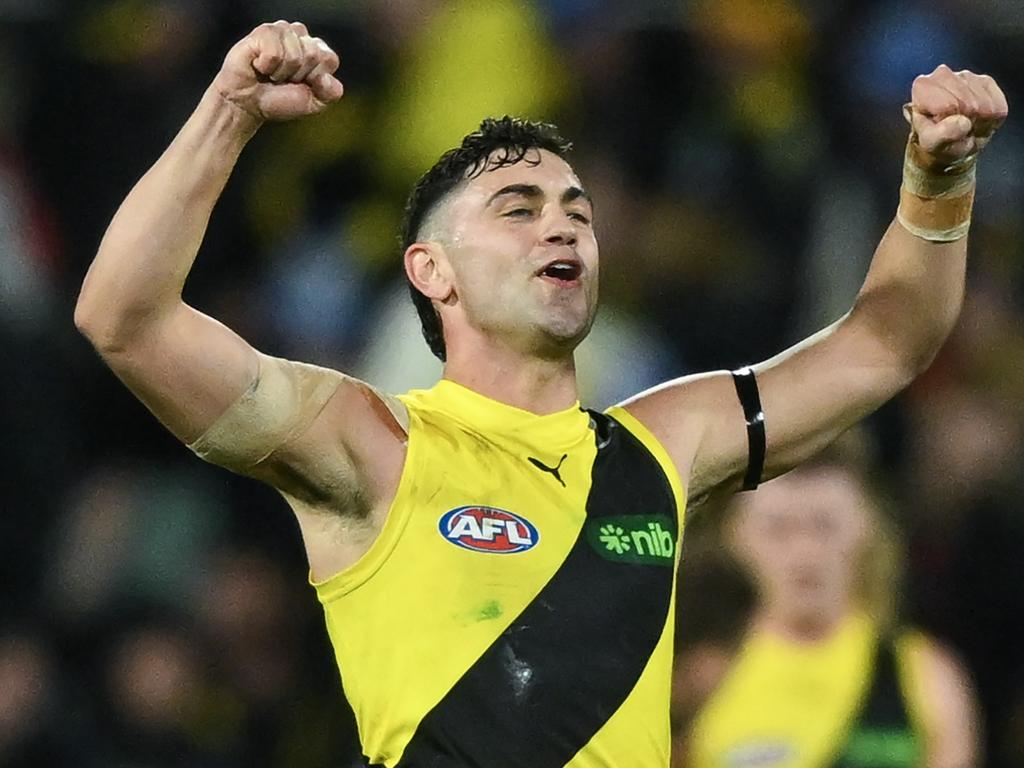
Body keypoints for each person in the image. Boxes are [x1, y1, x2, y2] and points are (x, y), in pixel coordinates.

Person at [74, 19, 1006, 768]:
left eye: (577, 212)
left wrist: (939, 181)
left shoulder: (663, 442)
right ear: (430, 271)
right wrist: (228, 114)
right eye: (517, 209)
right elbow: (125, 319)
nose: (559, 225)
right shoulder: (369, 446)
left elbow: (888, 341)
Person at [675, 458, 980, 768]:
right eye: (778, 529)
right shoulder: (700, 672)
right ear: (732, 539)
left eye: (825, 525)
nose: (806, 552)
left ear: (867, 530)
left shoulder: (923, 672)